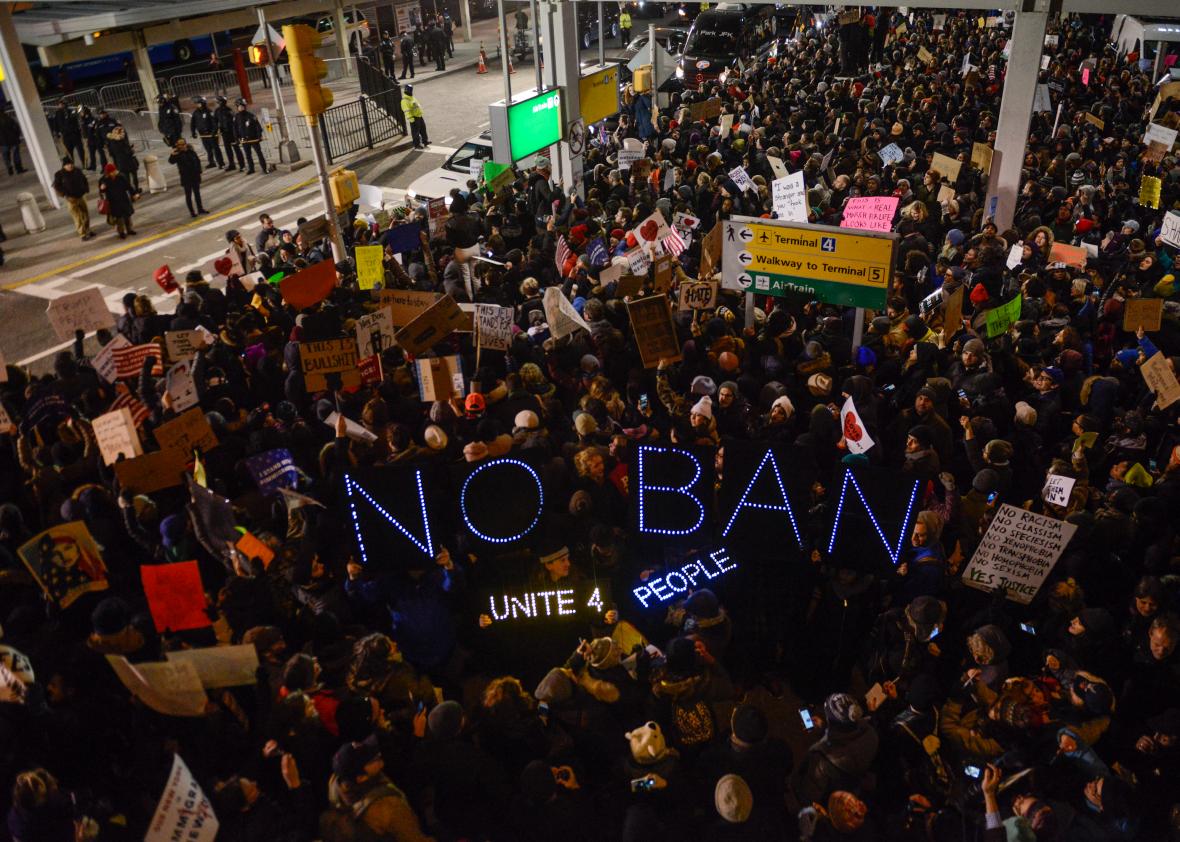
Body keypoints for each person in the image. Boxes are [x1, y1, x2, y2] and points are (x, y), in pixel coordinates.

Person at [52, 156, 93, 240]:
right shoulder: (59, 174)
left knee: (85, 215)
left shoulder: (77, 171)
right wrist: (65, 195)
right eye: (67, 165)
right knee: (77, 217)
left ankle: (88, 230)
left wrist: (86, 189)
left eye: (71, 164)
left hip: (81, 196)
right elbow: (56, 187)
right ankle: (82, 234)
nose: (70, 166)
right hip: (71, 199)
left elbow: (84, 180)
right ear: (64, 166)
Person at [168, 138, 208, 217]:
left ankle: (200, 209)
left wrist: (199, 172)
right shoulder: (177, 154)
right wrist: (172, 155)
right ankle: (192, 212)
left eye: (183, 144)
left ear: (185, 144)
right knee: (188, 195)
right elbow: (171, 161)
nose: (181, 146)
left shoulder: (191, 152)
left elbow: (197, 161)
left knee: (197, 194)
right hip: (186, 177)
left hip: (195, 176)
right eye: (179, 145)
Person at [98, 163, 136, 239]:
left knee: (127, 215)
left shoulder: (121, 177)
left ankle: (129, 229)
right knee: (119, 218)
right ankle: (121, 232)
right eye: (112, 172)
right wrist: (102, 189)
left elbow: (128, 186)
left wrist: (134, 194)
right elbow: (101, 192)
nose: (114, 173)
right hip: (113, 202)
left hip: (123, 198)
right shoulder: (103, 180)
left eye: (114, 171)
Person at [234, 99, 268, 175]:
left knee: (259, 154)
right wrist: (237, 138)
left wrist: (259, 136)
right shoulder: (236, 117)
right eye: (239, 106)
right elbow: (235, 129)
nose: (241, 108)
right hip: (244, 140)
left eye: (242, 106)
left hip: (253, 139)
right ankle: (251, 169)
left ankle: (264, 168)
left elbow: (258, 127)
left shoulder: (251, 115)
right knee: (248, 155)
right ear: (237, 107)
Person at [104, 124, 140, 196]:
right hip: (129, 160)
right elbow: (128, 151)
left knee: (126, 178)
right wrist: (131, 150)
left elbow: (112, 153)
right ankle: (136, 189)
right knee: (134, 175)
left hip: (120, 162)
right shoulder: (122, 139)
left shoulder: (111, 141)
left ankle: (131, 193)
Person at [190, 96, 225, 169]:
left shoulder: (209, 111)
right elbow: (193, 123)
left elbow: (214, 123)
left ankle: (221, 163)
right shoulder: (196, 113)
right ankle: (211, 162)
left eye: (198, 103)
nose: (197, 105)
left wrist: (213, 132)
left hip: (211, 134)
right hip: (203, 135)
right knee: (208, 149)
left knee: (216, 149)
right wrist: (193, 132)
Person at [215, 95, 245, 173]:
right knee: (228, 150)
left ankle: (242, 165)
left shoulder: (229, 111)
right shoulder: (217, 111)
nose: (217, 103)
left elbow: (234, 123)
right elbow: (215, 121)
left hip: (232, 133)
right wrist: (216, 131)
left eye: (218, 102)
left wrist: (237, 134)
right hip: (224, 133)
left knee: (236, 149)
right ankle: (232, 164)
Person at [402, 84, 429, 149]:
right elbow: (406, 111)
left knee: (423, 130)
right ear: (407, 90)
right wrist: (411, 119)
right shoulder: (405, 100)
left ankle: (425, 141)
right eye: (410, 90)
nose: (411, 91)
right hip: (414, 118)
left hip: (419, 116)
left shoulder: (411, 97)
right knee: (415, 133)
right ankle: (416, 145)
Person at [0, 110, 24, 175]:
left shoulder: (9, 119)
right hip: (13, 139)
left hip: (3, 142)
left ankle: (10, 169)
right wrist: (17, 136)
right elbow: (16, 128)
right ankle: (18, 168)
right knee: (16, 154)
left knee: (6, 156)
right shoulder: (9, 119)